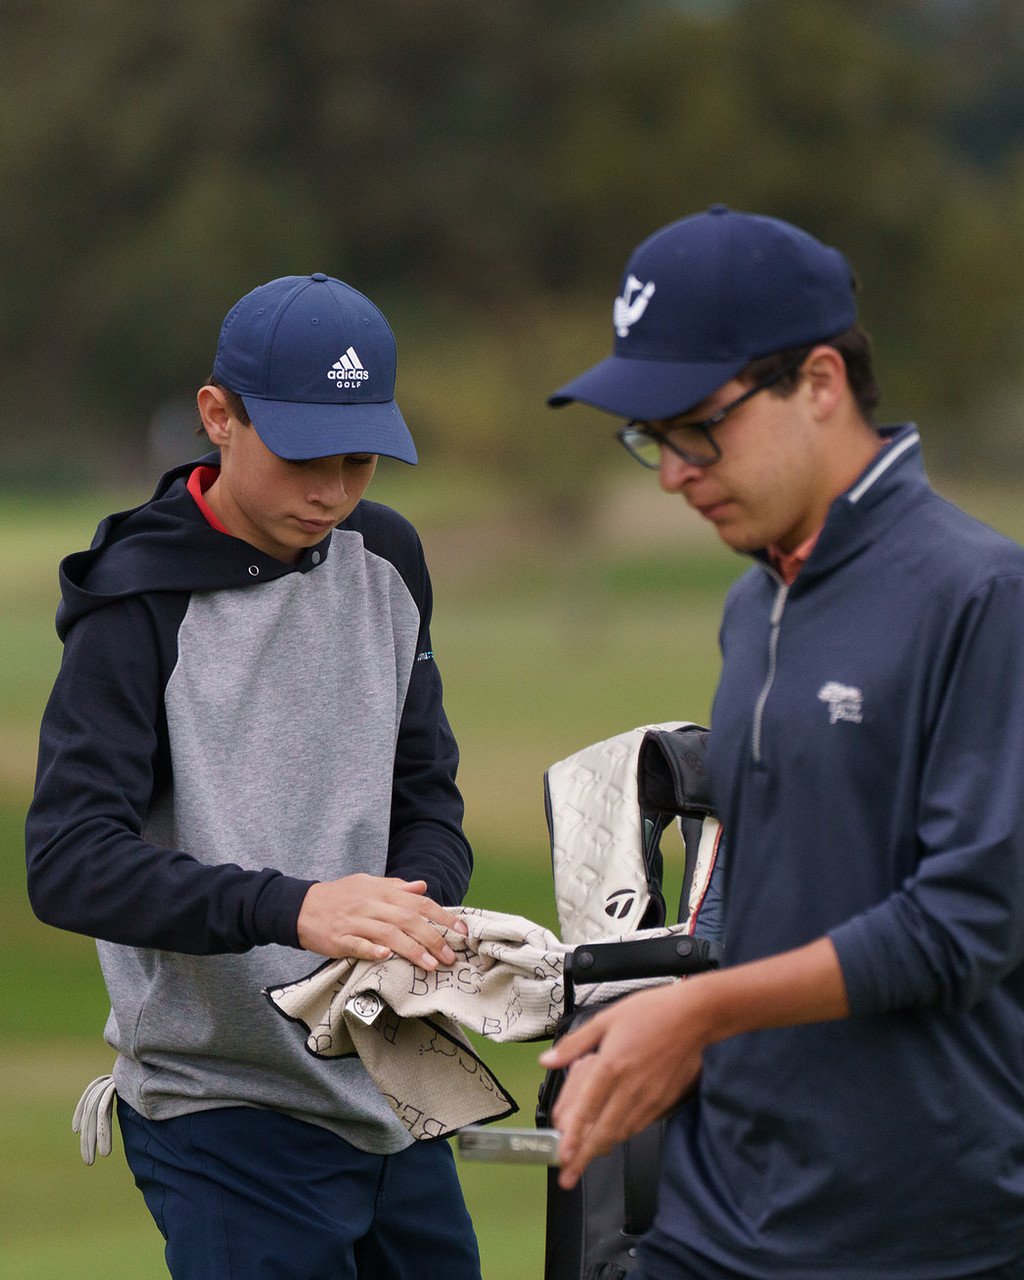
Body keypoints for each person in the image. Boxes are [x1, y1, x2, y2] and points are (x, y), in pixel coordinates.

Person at [540, 206, 1024, 1279]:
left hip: (919, 1227)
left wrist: (697, 1013)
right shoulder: (752, 603)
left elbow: (965, 924)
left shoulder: (984, 596)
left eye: (697, 427)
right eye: (653, 438)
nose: (673, 473)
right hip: (725, 1208)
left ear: (819, 382)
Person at [25, 273, 482, 1279]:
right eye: (302, 457)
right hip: (223, 1109)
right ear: (218, 417)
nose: (332, 492)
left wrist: (416, 912)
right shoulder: (133, 600)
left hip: (395, 1085)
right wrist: (299, 908)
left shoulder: (387, 557)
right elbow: (69, 862)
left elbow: (426, 797)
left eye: (358, 460)